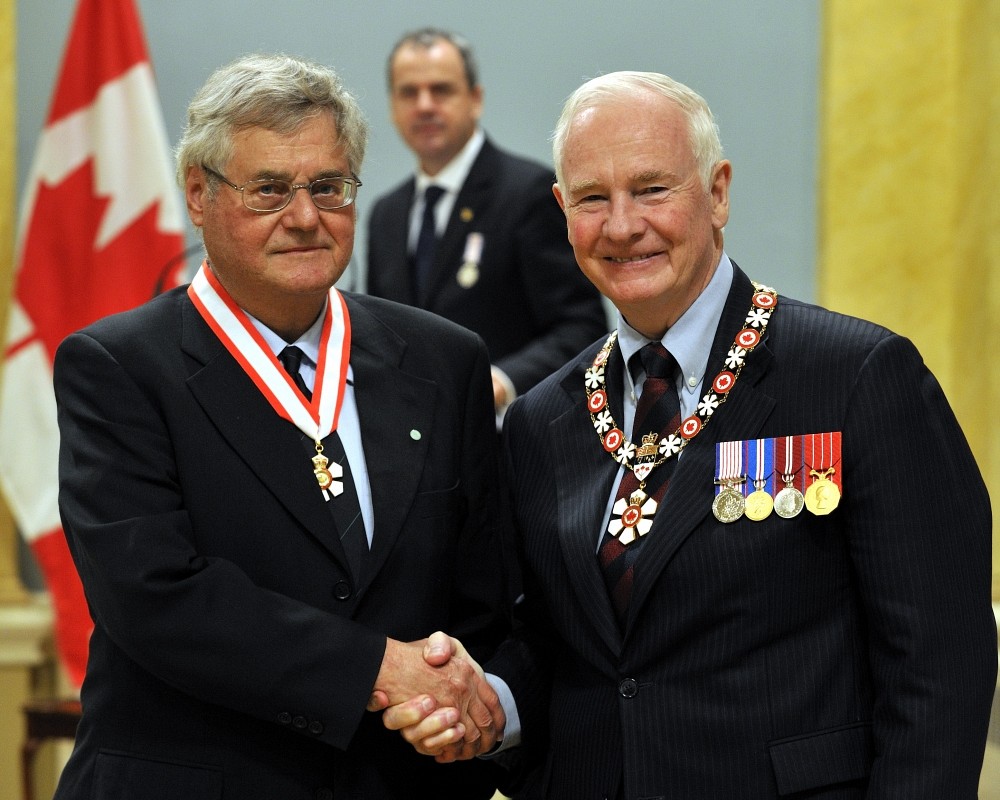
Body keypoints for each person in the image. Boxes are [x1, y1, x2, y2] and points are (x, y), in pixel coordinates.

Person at [380, 71, 996, 798]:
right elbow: (551, 649)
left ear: (719, 192)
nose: (621, 225)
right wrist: (490, 706)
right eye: (591, 199)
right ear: (561, 211)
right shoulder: (542, 422)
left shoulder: (856, 379)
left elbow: (939, 664)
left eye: (651, 189)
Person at [51, 53, 508, 800]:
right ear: (198, 195)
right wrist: (371, 670)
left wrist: (477, 703)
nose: (304, 217)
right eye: (269, 190)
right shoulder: (119, 367)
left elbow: (488, 593)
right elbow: (155, 598)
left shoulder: (443, 360)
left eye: (328, 187)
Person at [366, 28, 608, 417]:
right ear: (393, 107)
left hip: (511, 436)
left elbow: (581, 329)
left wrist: (499, 381)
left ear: (475, 99)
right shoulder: (386, 214)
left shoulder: (528, 193)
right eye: (409, 93)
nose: (424, 105)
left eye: (441, 90)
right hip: (414, 441)